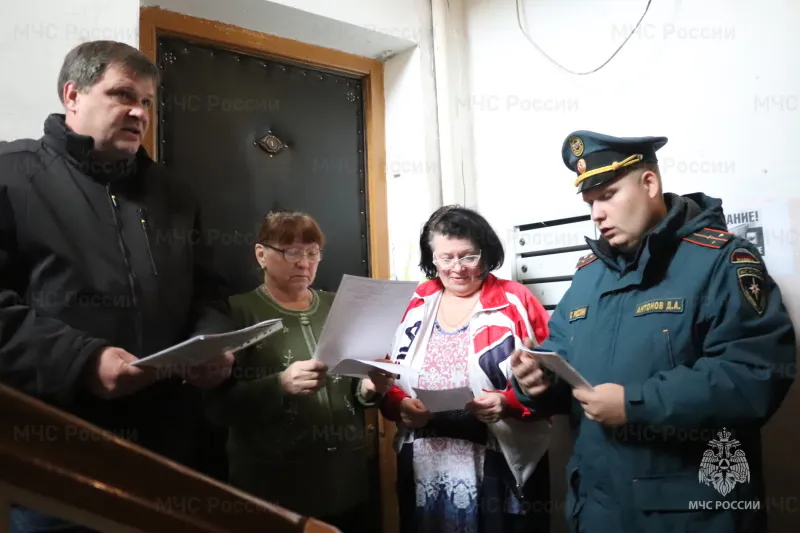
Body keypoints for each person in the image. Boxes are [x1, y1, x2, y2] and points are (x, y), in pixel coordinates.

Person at [0, 41, 235, 532]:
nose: (140, 112)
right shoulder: (11, 175)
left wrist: (212, 342)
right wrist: (83, 361)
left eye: (147, 101)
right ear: (72, 95)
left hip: (171, 454)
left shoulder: (174, 195)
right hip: (56, 459)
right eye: (123, 95)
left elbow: (209, 291)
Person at [511, 130, 797, 533]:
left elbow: (753, 375)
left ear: (649, 184)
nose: (596, 215)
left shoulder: (720, 261)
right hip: (597, 512)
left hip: (691, 518)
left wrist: (635, 405)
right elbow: (563, 361)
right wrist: (535, 382)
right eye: (590, 202)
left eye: (608, 195)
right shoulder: (589, 276)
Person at [203, 210, 394, 533]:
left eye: (312, 252)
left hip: (345, 481)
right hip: (273, 489)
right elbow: (217, 409)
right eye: (291, 252)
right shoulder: (237, 312)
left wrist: (369, 388)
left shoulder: (337, 306)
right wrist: (279, 385)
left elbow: (353, 389)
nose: (304, 263)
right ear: (261, 255)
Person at [379, 205, 553, 533]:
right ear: (432, 258)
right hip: (425, 464)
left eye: (468, 256)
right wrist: (400, 405)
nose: (457, 268)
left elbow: (553, 382)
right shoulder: (415, 302)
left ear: (486, 254)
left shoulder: (516, 300)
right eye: (445, 258)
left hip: (497, 460)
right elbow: (384, 378)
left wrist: (508, 403)